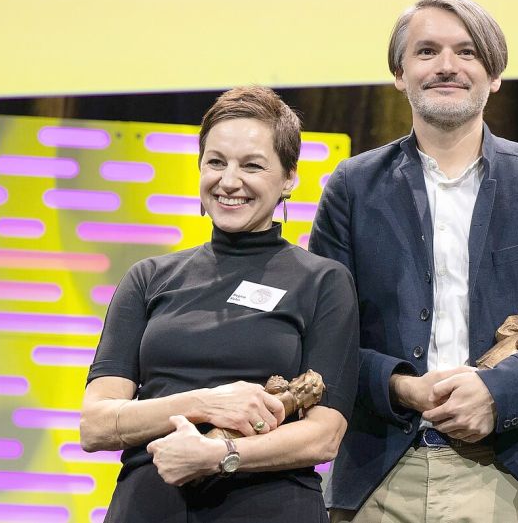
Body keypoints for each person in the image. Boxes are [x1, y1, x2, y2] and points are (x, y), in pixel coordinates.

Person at [309, 0, 518, 523]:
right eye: (427, 51)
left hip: (517, 475)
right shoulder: (351, 187)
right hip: (378, 474)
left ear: (494, 75)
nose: (447, 66)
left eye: (467, 52)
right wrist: (399, 386)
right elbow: (325, 333)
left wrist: (497, 392)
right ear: (399, 73)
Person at [80, 86, 359, 522]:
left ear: (289, 178)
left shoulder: (323, 281)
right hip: (149, 505)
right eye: (216, 162)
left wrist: (220, 454)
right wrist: (205, 403)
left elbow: (324, 436)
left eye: (252, 165)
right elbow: (95, 425)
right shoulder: (148, 277)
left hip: (270, 507)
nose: (229, 181)